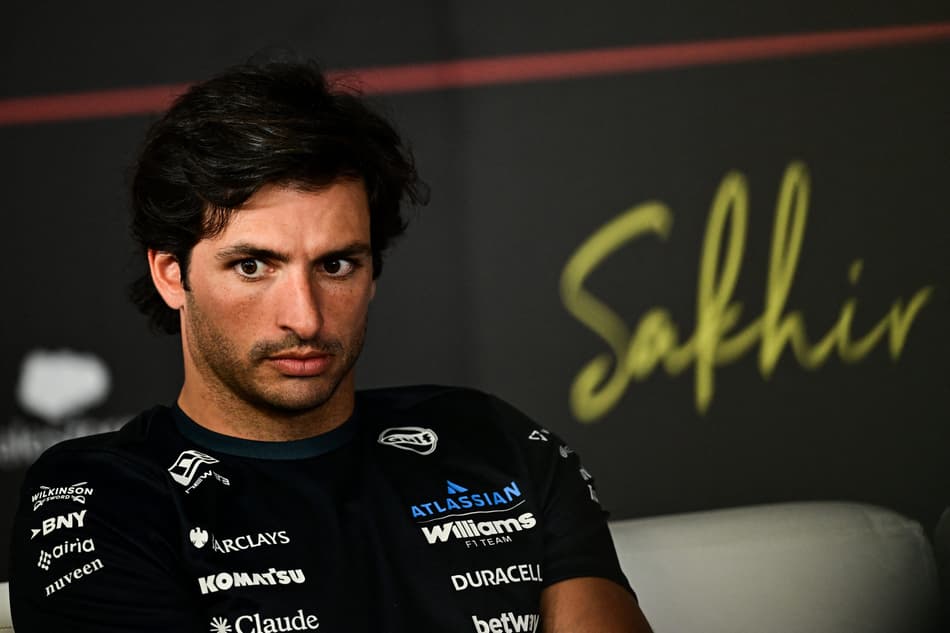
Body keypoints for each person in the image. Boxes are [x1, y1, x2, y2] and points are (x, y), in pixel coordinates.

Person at [10, 59, 652, 633]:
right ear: (172, 274)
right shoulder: (97, 500)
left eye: (337, 265)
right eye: (254, 266)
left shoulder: (498, 443)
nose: (306, 317)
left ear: (373, 269)